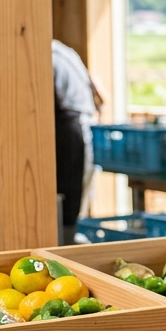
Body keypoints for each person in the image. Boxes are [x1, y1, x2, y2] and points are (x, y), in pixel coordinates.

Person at [52, 40, 101, 245]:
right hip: (79, 121)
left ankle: (66, 243)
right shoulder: (62, 50)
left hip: (69, 124)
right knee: (73, 188)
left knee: (69, 189)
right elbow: (99, 94)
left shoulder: (48, 56)